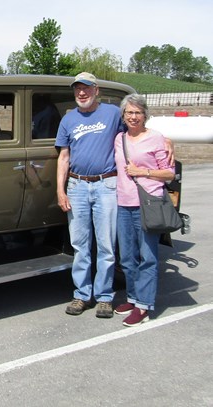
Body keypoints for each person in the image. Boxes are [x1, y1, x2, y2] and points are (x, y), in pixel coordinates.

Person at [55, 72, 124, 318]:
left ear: (96, 90)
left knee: (106, 244)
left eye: (86, 89)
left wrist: (164, 141)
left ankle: (105, 296)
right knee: (80, 245)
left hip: (106, 184)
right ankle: (82, 294)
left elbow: (135, 133)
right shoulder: (68, 120)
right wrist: (60, 190)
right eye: (77, 89)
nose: (81, 93)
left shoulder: (113, 114)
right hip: (77, 186)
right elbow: (64, 157)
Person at [113, 94, 175, 327]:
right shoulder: (120, 139)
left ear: (145, 115)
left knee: (147, 257)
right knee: (127, 257)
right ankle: (132, 297)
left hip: (147, 203)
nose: (133, 116)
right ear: (124, 115)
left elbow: (169, 173)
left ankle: (144, 306)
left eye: (138, 112)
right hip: (123, 203)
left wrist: (143, 172)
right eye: (129, 112)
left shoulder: (156, 138)